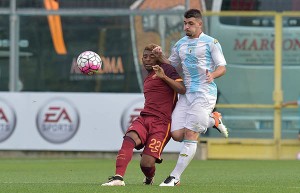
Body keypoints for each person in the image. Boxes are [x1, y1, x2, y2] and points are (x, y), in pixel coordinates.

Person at [152, 9, 229, 186]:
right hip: (186, 94)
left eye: (190, 23)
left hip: (204, 93)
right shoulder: (180, 44)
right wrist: (159, 56)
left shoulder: (211, 43)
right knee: (177, 134)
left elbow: (222, 67)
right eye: (185, 23)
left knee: (190, 134)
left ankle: (174, 177)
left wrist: (213, 75)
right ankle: (214, 120)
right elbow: (172, 64)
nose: (186, 26)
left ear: (200, 24)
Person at [101, 43, 186, 186]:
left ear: (157, 58)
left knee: (146, 164)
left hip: (162, 124)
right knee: (129, 138)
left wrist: (164, 77)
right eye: (145, 57)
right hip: (144, 118)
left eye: (151, 56)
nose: (147, 59)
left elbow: (182, 89)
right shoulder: (148, 77)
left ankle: (149, 178)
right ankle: (118, 178)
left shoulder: (167, 69)